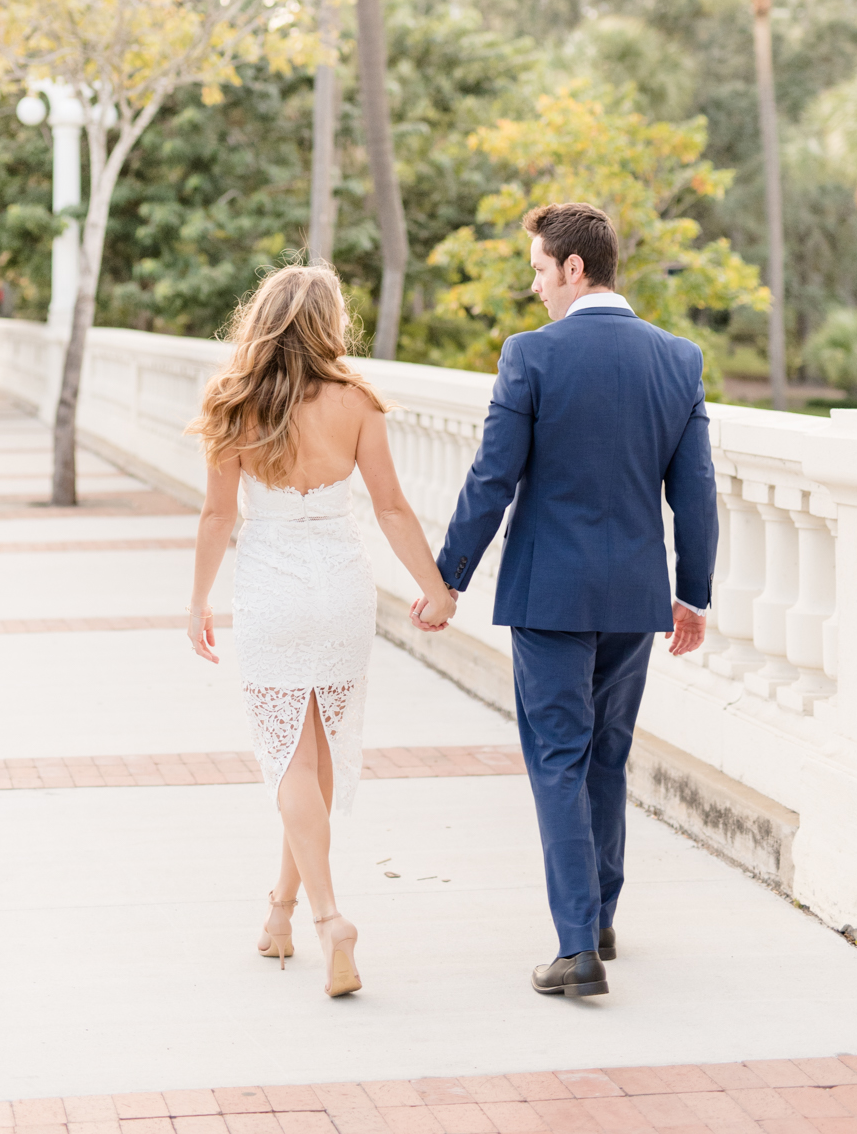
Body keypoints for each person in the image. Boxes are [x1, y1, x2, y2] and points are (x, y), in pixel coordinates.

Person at [413, 201, 717, 1001]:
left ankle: (576, 946)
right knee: (605, 756)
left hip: (550, 595)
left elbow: (491, 478)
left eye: (540, 271)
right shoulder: (677, 360)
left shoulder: (530, 357)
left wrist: (448, 577)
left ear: (574, 268)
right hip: (633, 597)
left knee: (558, 758)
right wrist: (693, 594)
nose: (536, 288)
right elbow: (697, 496)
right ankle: (602, 917)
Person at [187, 263, 456, 1000]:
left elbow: (217, 516)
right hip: (339, 586)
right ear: (329, 324)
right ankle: (279, 912)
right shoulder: (357, 401)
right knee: (318, 751)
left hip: (271, 592)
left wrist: (197, 601)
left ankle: (329, 916)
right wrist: (435, 590)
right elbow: (393, 508)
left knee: (288, 763)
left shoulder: (231, 401)